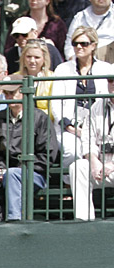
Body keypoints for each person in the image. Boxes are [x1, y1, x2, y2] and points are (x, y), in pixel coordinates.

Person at [0, 78, 60, 222]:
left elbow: (48, 154)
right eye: (6, 93)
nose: (9, 96)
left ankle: (15, 219)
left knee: (13, 174)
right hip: (4, 171)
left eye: (13, 92)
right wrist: (0, 168)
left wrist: (18, 168)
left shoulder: (40, 118)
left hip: (34, 173)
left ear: (23, 92)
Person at [53, 26, 114, 165]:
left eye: (84, 43)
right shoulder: (62, 69)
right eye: (75, 43)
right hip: (70, 127)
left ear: (93, 45)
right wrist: (72, 128)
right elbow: (56, 104)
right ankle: (70, 184)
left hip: (99, 126)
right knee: (73, 151)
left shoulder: (105, 68)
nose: (78, 47)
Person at [69, 77, 114, 218]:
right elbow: (87, 138)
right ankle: (84, 220)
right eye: (111, 80)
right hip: (99, 165)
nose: (113, 84)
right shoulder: (97, 106)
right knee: (78, 167)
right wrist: (94, 161)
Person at [13, 39, 57, 119]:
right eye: (29, 57)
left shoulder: (52, 78)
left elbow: (54, 110)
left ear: (44, 59)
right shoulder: (15, 78)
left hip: (44, 124)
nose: (32, 61)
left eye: (37, 57)